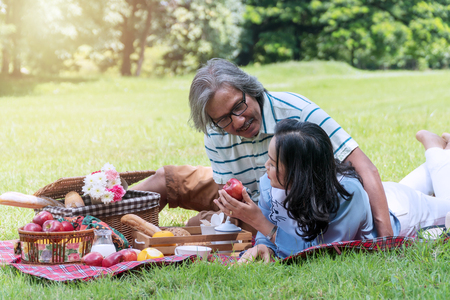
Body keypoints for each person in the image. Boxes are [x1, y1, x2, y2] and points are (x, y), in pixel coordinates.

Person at [133, 58, 393, 236]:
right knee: (168, 180)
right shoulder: (216, 132)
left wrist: (386, 239)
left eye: (239, 106)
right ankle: (100, 215)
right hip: (242, 192)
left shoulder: (296, 111)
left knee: (200, 228)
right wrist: (226, 207)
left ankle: (197, 226)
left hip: (278, 207)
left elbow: (364, 167)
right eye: (223, 119)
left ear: (251, 90)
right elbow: (228, 188)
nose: (238, 121)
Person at [213, 120, 450, 262]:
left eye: (274, 164)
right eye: (269, 159)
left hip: (403, 212)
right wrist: (264, 245)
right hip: (384, 197)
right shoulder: (271, 182)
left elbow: (320, 253)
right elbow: (275, 225)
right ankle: (440, 153)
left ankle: (435, 150)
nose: (266, 168)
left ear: (300, 173)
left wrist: (259, 222)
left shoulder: (346, 194)